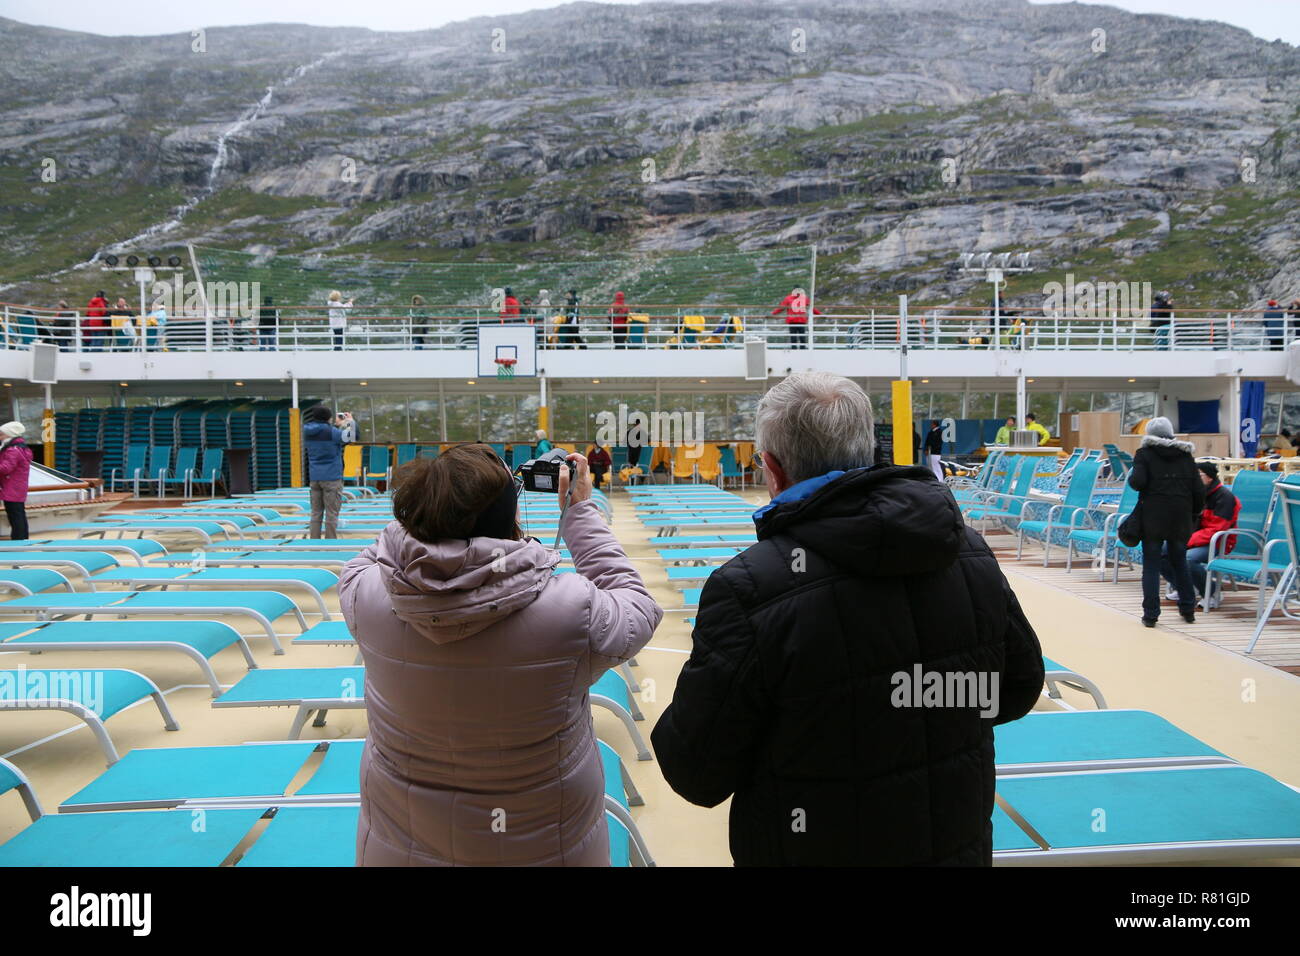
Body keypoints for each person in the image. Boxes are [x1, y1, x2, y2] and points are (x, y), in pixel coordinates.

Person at [651, 371, 1044, 866]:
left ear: (771, 467)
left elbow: (696, 771)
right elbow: (1018, 687)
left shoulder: (750, 588)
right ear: (868, 450)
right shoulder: (968, 551)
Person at [338, 444, 661, 866]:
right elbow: (637, 605)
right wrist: (578, 511)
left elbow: (383, 548)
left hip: (403, 846)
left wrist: (431, 502)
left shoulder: (364, 594)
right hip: (545, 845)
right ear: (510, 517)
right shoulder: (571, 609)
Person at [1128, 417, 1204, 627]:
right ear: (1171, 432)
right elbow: (1198, 489)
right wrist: (1194, 515)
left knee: (1151, 566)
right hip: (1180, 517)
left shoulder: (1145, 454)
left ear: (1149, 434)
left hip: (1153, 517)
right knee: (1179, 561)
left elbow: (1137, 483)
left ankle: (1151, 615)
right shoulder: (1186, 455)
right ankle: (1188, 609)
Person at [1163, 461, 1239, 611]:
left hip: (1218, 542)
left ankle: (1211, 594)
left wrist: (1187, 541)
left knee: (1188, 558)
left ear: (1209, 477)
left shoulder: (1225, 498)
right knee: (1160, 551)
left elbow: (1216, 530)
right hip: (1195, 539)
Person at [303, 406, 355, 539]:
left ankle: (314, 543)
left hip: (315, 477)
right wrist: (350, 422)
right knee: (331, 513)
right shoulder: (332, 432)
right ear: (328, 417)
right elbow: (351, 437)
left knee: (316, 513)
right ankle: (330, 544)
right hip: (332, 477)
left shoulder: (307, 431)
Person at [0, 422, 33, 540]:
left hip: (11, 487)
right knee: (18, 514)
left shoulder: (12, 450)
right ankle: (22, 539)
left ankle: (18, 540)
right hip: (17, 487)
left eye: (2, 434)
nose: (0, 437)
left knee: (15, 515)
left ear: (9, 434)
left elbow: (6, 468)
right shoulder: (21, 448)